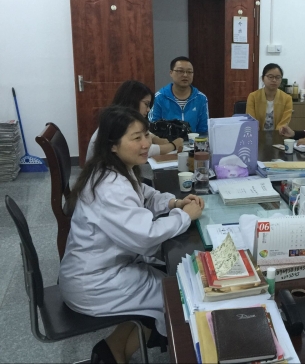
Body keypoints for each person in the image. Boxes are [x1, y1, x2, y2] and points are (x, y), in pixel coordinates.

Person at [60, 106, 204, 363]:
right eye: (136, 138)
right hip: (95, 283)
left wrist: (173, 203)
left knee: (167, 282)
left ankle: (111, 352)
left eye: (146, 135)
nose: (146, 143)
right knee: (177, 293)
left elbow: (145, 195)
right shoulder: (110, 187)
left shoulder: (115, 169)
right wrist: (184, 217)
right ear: (113, 145)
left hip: (106, 269)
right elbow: (145, 236)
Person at [86, 80, 183, 162]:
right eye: (146, 104)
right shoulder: (117, 124)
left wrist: (156, 138)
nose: (148, 109)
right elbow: (144, 149)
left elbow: (144, 133)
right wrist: (174, 145)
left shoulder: (121, 120)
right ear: (132, 100)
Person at [148, 56, 209, 134]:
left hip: (193, 141)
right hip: (166, 141)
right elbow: (152, 128)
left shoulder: (201, 98)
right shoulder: (159, 97)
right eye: (180, 71)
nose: (185, 75)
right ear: (171, 73)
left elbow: (203, 129)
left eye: (189, 72)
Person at [246, 63, 292, 131]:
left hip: (278, 135)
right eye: (270, 77)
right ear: (263, 78)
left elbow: (284, 123)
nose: (274, 80)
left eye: (278, 77)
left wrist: (276, 135)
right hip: (257, 134)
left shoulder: (287, 99)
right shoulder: (253, 97)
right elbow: (251, 121)